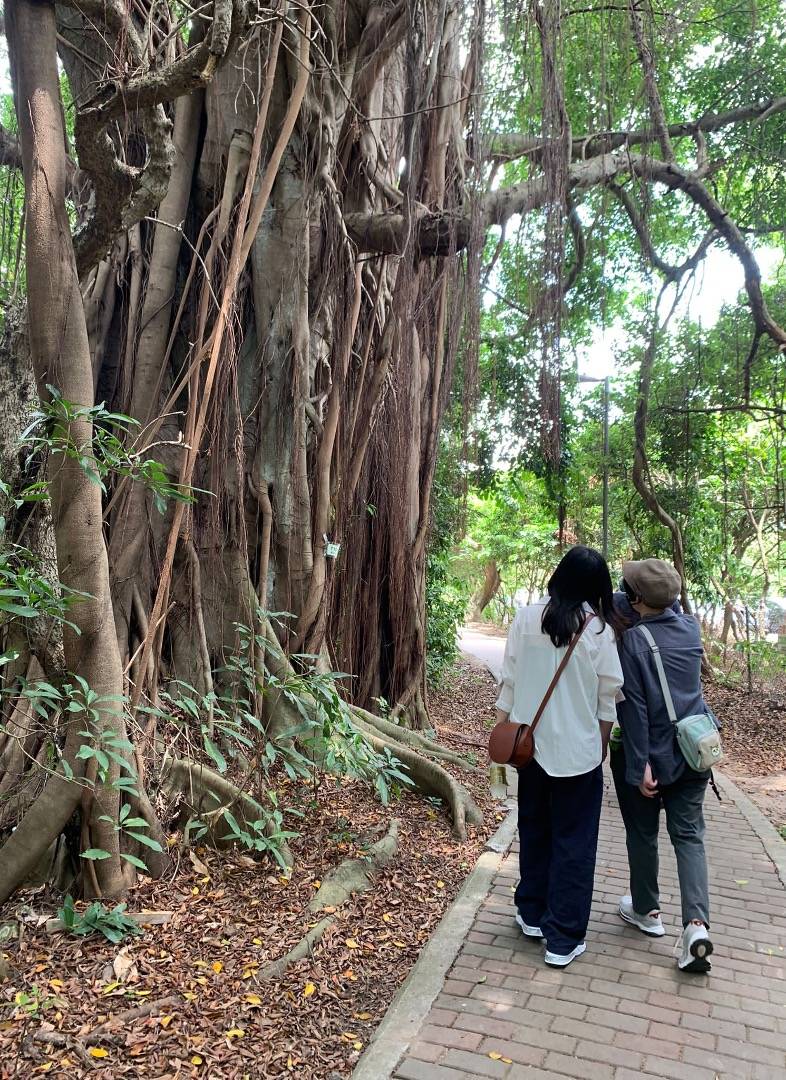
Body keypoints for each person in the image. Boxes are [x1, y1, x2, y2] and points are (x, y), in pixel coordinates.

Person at [495, 545, 624, 968]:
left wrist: (502, 740)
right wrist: (599, 748)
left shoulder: (526, 618)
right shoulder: (600, 632)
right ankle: (563, 938)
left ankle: (531, 913)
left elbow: (509, 685)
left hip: (528, 750)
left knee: (533, 830)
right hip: (578, 755)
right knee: (574, 842)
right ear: (597, 587)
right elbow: (608, 702)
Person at [610, 559, 714, 974]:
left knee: (643, 831)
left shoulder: (632, 641)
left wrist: (640, 765)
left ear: (637, 599)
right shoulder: (690, 627)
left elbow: (633, 710)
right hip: (694, 750)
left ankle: (647, 911)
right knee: (689, 837)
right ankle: (696, 926)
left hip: (652, 753)